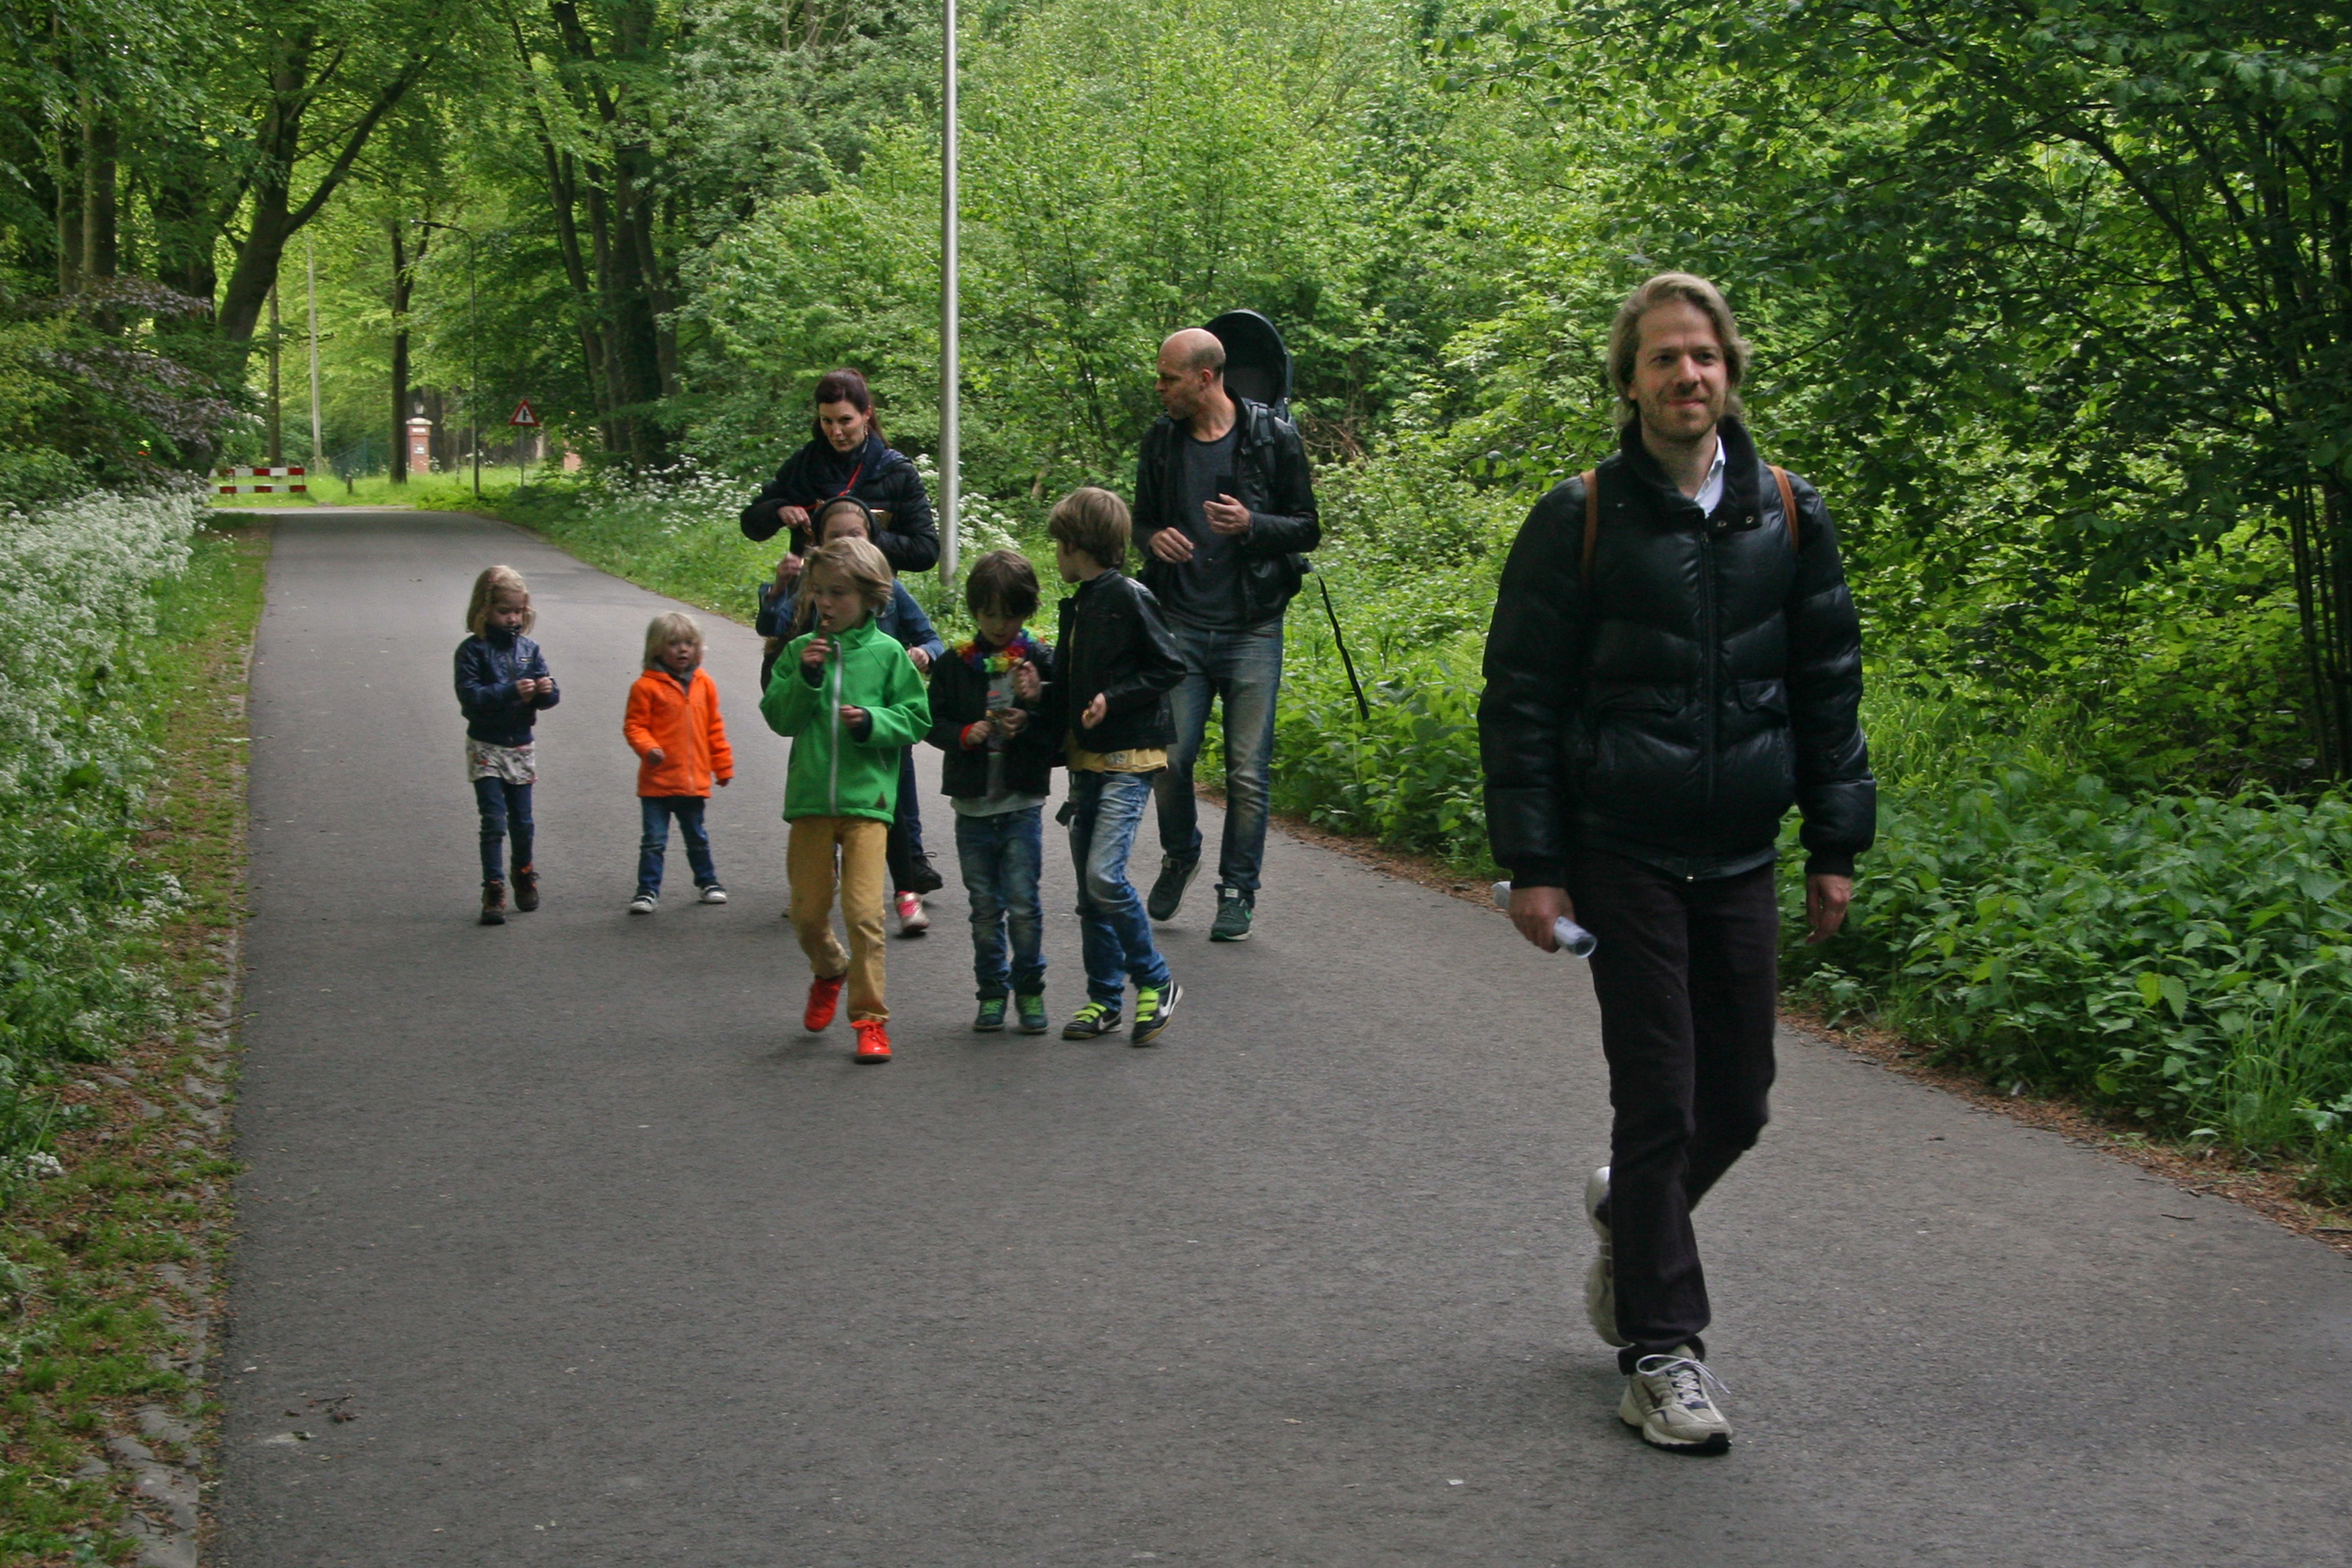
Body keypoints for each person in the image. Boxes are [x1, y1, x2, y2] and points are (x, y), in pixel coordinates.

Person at [1477, 273, 1874, 1454]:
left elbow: (1826, 686)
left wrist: (1835, 842)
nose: (1685, 374)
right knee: (1658, 1093)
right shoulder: (1581, 515)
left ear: (1729, 371)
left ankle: (1631, 1218)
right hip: (1622, 848)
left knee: (1737, 1098)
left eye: (1701, 354)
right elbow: (1521, 698)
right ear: (1630, 381)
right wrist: (1534, 862)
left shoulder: (1786, 512)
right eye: (1661, 357)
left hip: (1741, 849)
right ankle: (1662, 1354)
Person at [1131, 327, 1319, 943]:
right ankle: (1181, 853)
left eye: (1168, 378)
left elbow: (1307, 527)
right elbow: (1141, 520)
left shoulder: (1272, 436)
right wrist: (1152, 538)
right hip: (1180, 623)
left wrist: (1252, 524)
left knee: (1246, 773)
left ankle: (1238, 890)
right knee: (1170, 759)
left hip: (1253, 628)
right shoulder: (1161, 441)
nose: (1159, 388)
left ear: (1205, 378)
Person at [761, 538, 932, 1063]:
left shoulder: (888, 655)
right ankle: (829, 968)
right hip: (811, 801)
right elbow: (779, 717)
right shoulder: (799, 652)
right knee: (807, 914)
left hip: (867, 804)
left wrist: (872, 723)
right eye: (819, 592)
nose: (827, 603)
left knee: (864, 914)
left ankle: (870, 1019)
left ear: (871, 597)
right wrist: (807, 680)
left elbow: (917, 719)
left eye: (839, 593)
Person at [758, 496, 947, 932]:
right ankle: (822, 883)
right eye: (834, 536)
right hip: (823, 737)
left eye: (855, 534)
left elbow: (931, 642)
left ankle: (907, 888)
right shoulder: (816, 589)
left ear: (872, 540)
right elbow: (774, 626)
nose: (845, 543)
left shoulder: (888, 592)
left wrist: (924, 654)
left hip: (881, 726)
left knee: (895, 810)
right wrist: (780, 591)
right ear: (818, 544)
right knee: (826, 804)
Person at [1047, 488, 1188, 1044]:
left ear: (1077, 544)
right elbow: (1072, 681)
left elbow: (1169, 665)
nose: (1056, 554)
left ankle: (1157, 981)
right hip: (1086, 761)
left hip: (1129, 759)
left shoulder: (1129, 596)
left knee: (1105, 877)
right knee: (1090, 894)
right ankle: (1104, 1000)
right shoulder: (1079, 603)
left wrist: (1114, 698)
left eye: (1059, 544)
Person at [925, 548, 1058, 1035]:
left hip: (1022, 802)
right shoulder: (954, 664)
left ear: (1028, 611)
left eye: (1011, 614)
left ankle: (1030, 989)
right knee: (984, 908)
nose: (1000, 625)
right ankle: (991, 992)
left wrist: (1035, 706)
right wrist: (964, 734)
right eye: (989, 614)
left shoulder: (1041, 660)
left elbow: (1062, 720)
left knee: (1023, 904)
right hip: (973, 807)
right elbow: (931, 720)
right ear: (974, 611)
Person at [739, 366, 939, 577]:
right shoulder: (804, 464)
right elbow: (751, 525)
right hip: (810, 590)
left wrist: (862, 536)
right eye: (827, 421)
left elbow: (925, 552)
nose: (836, 432)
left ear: (866, 414)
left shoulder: (896, 471)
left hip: (871, 590)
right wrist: (779, 511)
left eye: (845, 421)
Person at [453, 565, 560, 926]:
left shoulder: (529, 650)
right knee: (494, 820)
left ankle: (523, 871)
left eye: (519, 611)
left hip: (520, 746)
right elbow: (470, 698)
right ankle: (494, 886)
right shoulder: (472, 652)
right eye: (504, 611)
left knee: (523, 821)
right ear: (484, 611)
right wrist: (509, 691)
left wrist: (546, 691)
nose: (513, 619)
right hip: (486, 745)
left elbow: (550, 695)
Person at [623, 611, 734, 914]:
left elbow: (714, 728)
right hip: (657, 782)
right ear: (657, 648)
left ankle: (708, 882)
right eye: (673, 643)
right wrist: (649, 748)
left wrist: (722, 766)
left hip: (692, 781)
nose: (682, 650)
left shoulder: (704, 683)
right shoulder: (645, 687)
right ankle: (647, 891)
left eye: (689, 643)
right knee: (654, 841)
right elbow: (635, 726)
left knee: (697, 837)